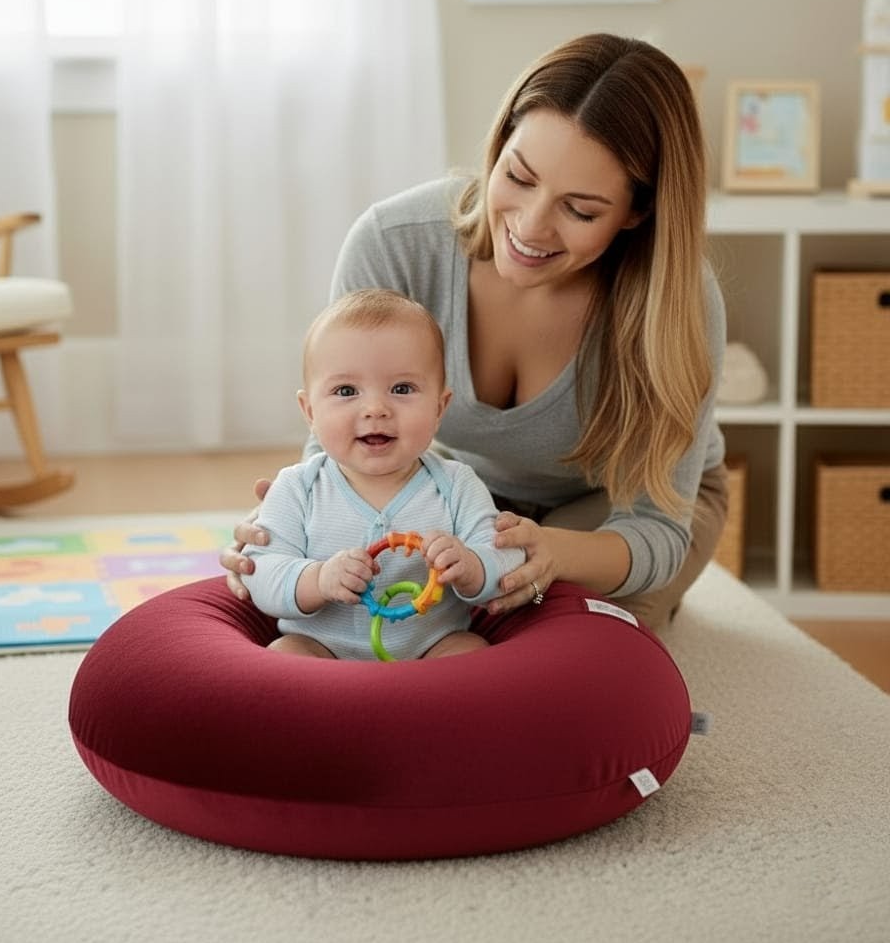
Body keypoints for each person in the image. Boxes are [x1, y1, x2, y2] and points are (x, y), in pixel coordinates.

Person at [225, 32, 728, 633]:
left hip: (612, 514)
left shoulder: (677, 303)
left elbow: (657, 524)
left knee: (567, 650)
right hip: (470, 497)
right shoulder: (396, 244)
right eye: (519, 176)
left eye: (581, 210)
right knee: (349, 623)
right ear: (500, 144)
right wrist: (288, 535)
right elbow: (339, 434)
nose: (531, 227)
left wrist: (550, 551)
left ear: (636, 213)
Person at [241, 288, 524, 660]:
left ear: (440, 408)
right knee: (285, 654)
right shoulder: (297, 488)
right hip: (323, 650)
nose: (375, 408)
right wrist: (319, 579)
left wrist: (472, 565)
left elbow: (508, 560)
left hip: (429, 649)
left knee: (472, 653)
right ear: (310, 412)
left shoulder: (458, 485)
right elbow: (261, 573)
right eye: (346, 390)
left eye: (402, 388)